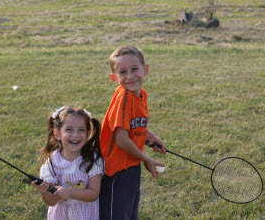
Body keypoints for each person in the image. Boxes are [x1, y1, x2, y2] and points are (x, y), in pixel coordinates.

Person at [99, 45, 166, 220]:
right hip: (115, 171)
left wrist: (153, 138)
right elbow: (121, 139)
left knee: (130, 214)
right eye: (123, 72)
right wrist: (148, 160)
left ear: (146, 70)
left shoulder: (141, 93)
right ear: (114, 78)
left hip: (131, 165)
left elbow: (136, 127)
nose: (129, 76)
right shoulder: (123, 98)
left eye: (134, 69)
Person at [32, 106, 104, 220]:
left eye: (81, 130)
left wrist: (69, 192)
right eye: (69, 129)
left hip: (86, 214)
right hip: (60, 215)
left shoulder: (93, 159)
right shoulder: (52, 163)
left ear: (87, 134)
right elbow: (51, 201)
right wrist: (44, 192)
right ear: (57, 134)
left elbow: (93, 194)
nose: (75, 135)